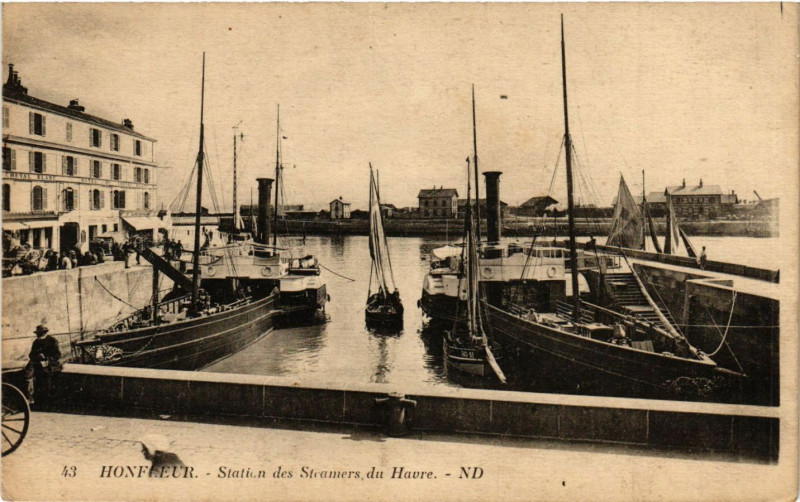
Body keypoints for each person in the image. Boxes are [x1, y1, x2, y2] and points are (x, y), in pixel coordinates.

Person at [24, 324, 62, 404]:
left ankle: (46, 400)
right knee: (28, 372)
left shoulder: (52, 341)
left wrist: (47, 358)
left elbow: (58, 355)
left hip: (51, 363)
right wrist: (37, 356)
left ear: (45, 333)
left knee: (45, 374)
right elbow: (31, 355)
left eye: (40, 334)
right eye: (38, 334)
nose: (39, 336)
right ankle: (29, 396)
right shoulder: (36, 342)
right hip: (38, 362)